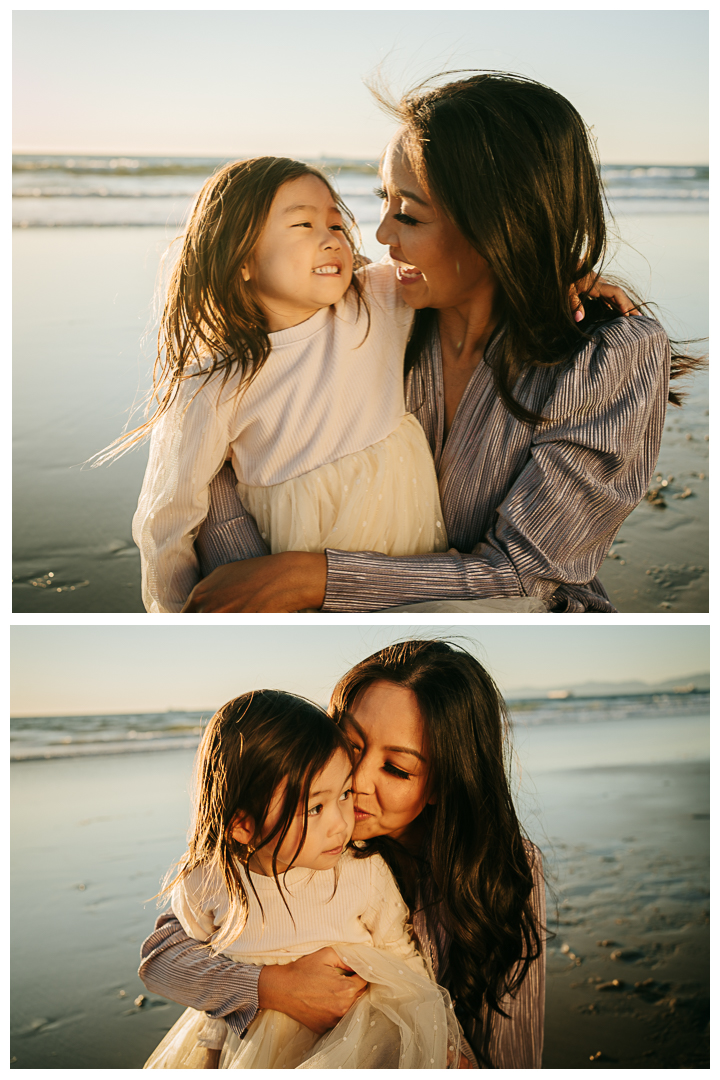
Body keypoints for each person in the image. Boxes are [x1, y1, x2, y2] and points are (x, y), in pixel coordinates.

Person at [183, 72, 693, 614]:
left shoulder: (608, 357)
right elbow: (222, 433)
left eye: (409, 213)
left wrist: (314, 580)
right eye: (385, 201)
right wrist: (247, 573)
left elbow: (527, 574)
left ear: (502, 225)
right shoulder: (369, 313)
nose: (381, 234)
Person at [139, 640, 546, 1068]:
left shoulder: (503, 865)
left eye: (397, 768)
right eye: (351, 747)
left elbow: (512, 1054)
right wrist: (275, 987)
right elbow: (166, 950)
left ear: (444, 784)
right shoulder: (302, 837)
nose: (358, 782)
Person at [120, 157, 450, 612]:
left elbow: (464, 264)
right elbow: (167, 521)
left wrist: (567, 277)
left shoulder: (376, 298)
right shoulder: (214, 381)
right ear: (241, 259)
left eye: (335, 224)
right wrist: (180, 618)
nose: (331, 239)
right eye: (303, 224)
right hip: (300, 571)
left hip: (408, 570)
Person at [144, 689, 460, 1069]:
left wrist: (439, 1042)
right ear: (242, 825)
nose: (341, 823)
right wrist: (266, 987)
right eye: (315, 807)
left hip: (353, 1044)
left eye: (344, 794)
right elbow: (171, 955)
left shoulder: (362, 870)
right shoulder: (211, 880)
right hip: (244, 1050)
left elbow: (403, 957)